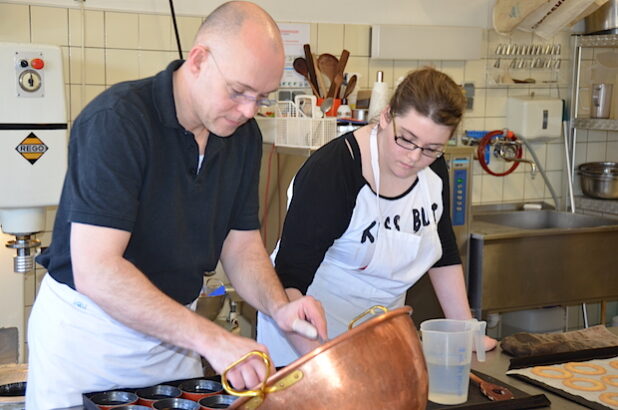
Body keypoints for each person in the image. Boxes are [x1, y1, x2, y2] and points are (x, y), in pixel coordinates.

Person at [25, 2, 326, 409]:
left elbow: (241, 247)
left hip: (172, 344)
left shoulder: (242, 137)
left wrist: (280, 307)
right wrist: (211, 339)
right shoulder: (118, 122)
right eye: (238, 92)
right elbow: (98, 270)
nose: (249, 111)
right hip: (89, 344)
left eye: (262, 97)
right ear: (199, 60)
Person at [257, 67, 497, 366]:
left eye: (431, 148)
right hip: (305, 340)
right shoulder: (334, 172)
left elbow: (442, 245)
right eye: (405, 139)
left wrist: (466, 330)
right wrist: (324, 361)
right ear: (386, 116)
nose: (413, 157)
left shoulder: (432, 169)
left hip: (379, 338)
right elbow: (288, 279)